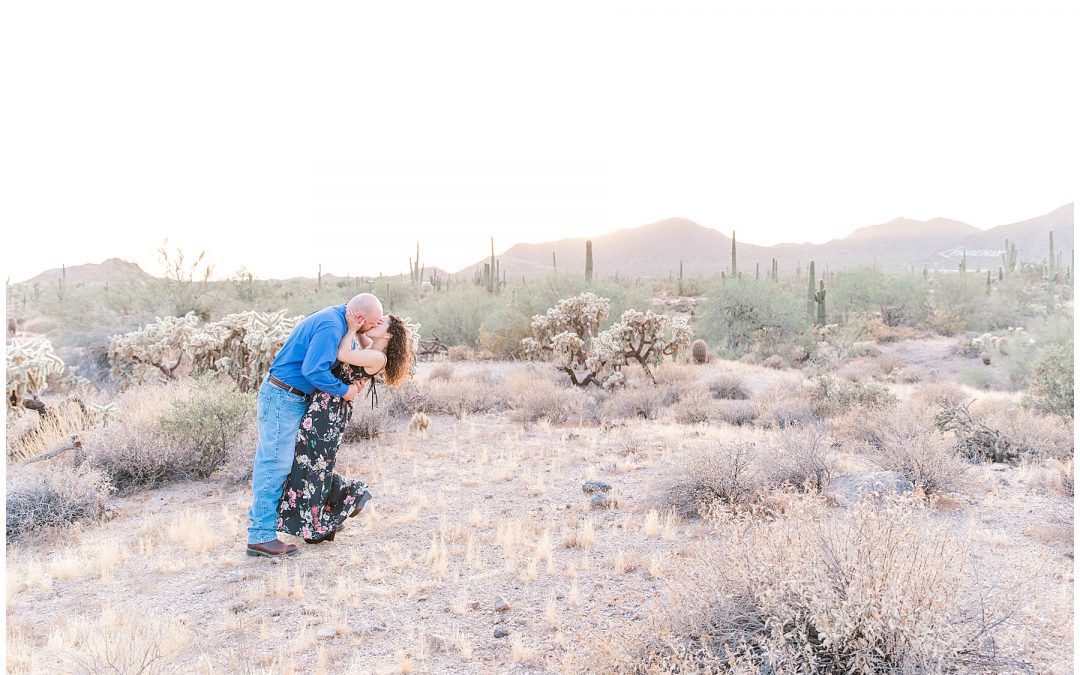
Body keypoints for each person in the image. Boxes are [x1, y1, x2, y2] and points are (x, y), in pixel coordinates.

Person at [245, 293, 382, 558]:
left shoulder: (340, 323)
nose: (374, 328)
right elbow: (313, 370)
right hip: (283, 396)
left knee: (293, 464)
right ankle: (260, 535)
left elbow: (346, 356)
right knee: (275, 463)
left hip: (293, 398)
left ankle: (305, 522)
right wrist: (344, 390)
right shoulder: (332, 326)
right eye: (373, 323)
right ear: (361, 317)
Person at [276, 313, 413, 544]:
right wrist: (360, 328)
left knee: (312, 462)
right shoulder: (372, 349)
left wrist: (351, 328)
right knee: (312, 462)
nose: (374, 323)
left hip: (329, 410)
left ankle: (333, 510)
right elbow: (362, 345)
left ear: (389, 334)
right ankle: (333, 511)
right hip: (326, 404)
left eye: (380, 323)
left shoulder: (377, 357)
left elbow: (343, 354)